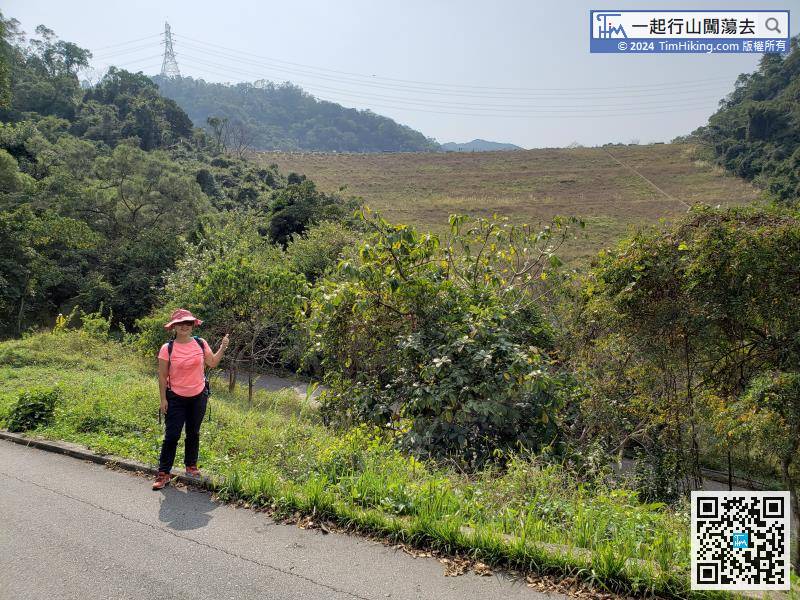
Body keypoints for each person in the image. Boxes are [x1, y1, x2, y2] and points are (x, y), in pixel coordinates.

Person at [153, 308, 229, 490]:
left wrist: (223, 347)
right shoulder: (167, 348)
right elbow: (162, 376)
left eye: (188, 323)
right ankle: (164, 473)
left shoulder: (200, 343)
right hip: (175, 398)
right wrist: (163, 399)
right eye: (180, 323)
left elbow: (212, 363)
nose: (184, 326)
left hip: (198, 396)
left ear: (192, 325)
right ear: (174, 327)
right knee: (172, 435)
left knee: (193, 433)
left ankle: (191, 466)